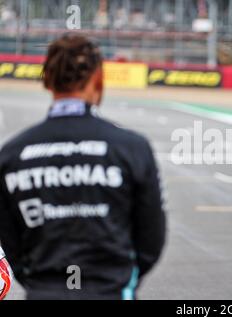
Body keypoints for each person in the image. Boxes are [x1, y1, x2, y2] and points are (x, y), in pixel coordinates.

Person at [0, 34, 166, 300]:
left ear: (47, 80)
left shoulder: (12, 154)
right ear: (99, 79)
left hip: (44, 291)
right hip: (109, 290)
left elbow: (10, 242)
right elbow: (151, 240)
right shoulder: (131, 148)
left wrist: (43, 283)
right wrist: (115, 279)